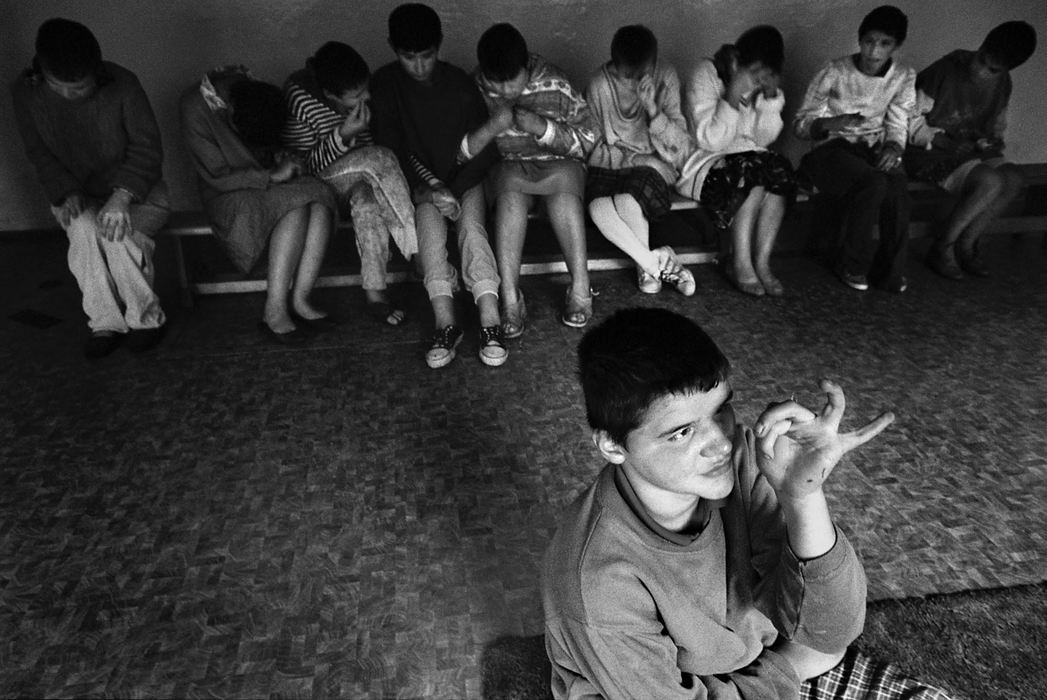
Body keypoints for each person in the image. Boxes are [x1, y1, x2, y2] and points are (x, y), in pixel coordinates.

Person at [542, 307, 956, 699]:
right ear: (612, 445)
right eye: (682, 432)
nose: (720, 442)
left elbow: (830, 632)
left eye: (721, 410)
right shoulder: (597, 580)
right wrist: (790, 668)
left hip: (754, 665)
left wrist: (802, 496)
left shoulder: (737, 457)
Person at [11, 18, 169, 359]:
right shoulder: (25, 92)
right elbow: (38, 152)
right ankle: (105, 322)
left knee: (116, 236)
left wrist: (123, 195)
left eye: (80, 88)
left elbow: (148, 149)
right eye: (59, 86)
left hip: (138, 189)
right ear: (41, 73)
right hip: (77, 191)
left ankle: (146, 319)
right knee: (83, 234)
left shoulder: (124, 84)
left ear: (97, 73)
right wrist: (65, 192)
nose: (70, 95)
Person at [370, 3, 507, 369]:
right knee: (430, 238)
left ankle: (491, 321)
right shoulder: (385, 85)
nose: (418, 66)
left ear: (439, 46)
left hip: (467, 181)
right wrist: (430, 191)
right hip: (420, 187)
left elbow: (483, 150)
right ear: (392, 48)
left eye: (426, 56)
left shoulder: (460, 84)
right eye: (408, 57)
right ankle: (446, 324)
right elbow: (390, 150)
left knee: (473, 231)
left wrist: (455, 189)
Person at [180, 66, 336, 344]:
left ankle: (301, 299)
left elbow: (267, 140)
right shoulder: (193, 105)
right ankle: (274, 310)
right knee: (295, 205)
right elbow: (216, 177)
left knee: (319, 196)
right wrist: (270, 175)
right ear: (231, 116)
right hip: (226, 191)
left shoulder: (250, 87)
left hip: (266, 181)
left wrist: (283, 159)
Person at [283, 42, 418, 324]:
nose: (366, 96)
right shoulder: (300, 97)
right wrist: (342, 135)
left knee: (367, 199)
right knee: (378, 157)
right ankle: (419, 254)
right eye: (357, 95)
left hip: (365, 178)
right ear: (330, 94)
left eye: (365, 88)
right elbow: (303, 168)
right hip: (321, 185)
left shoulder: (364, 95)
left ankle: (375, 292)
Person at [475, 23, 598, 335]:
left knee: (563, 200)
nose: (504, 91)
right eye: (495, 82)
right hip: (511, 170)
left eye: (511, 81)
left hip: (558, 166)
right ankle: (510, 298)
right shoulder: (477, 87)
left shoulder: (555, 83)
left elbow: (589, 138)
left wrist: (543, 128)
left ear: (526, 64)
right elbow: (471, 144)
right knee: (509, 203)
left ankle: (580, 288)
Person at [794, 5, 916, 293]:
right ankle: (852, 264)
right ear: (859, 40)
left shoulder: (902, 77)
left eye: (884, 44)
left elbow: (899, 123)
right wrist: (832, 123)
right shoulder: (834, 71)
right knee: (872, 182)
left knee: (897, 183)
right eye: (869, 42)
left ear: (896, 46)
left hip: (873, 146)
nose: (874, 52)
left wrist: (893, 147)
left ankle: (890, 271)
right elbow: (801, 125)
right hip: (831, 149)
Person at [907, 21, 1037, 279]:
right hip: (929, 149)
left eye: (992, 69)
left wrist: (993, 140)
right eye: (981, 60)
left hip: (968, 149)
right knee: (990, 182)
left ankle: (967, 243)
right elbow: (909, 121)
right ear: (982, 45)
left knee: (1013, 179)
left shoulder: (1002, 82)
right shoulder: (944, 71)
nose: (981, 71)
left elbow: (997, 123)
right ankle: (943, 246)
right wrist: (944, 142)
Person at [678, 25, 797, 297]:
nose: (757, 78)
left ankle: (762, 263)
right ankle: (739, 261)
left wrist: (770, 99)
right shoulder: (706, 73)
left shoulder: (764, 85)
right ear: (739, 60)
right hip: (704, 163)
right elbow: (710, 140)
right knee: (752, 171)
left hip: (749, 159)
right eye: (754, 71)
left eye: (764, 73)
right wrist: (733, 93)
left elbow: (763, 140)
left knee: (778, 170)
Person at [585, 25, 696, 298]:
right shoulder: (598, 84)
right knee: (597, 205)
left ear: (653, 62)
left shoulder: (665, 76)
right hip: (609, 167)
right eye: (627, 75)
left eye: (641, 73)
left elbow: (680, 146)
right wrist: (635, 157)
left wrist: (653, 110)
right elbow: (591, 147)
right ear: (614, 62)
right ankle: (653, 262)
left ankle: (647, 268)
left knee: (626, 199)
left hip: (654, 167)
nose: (634, 81)